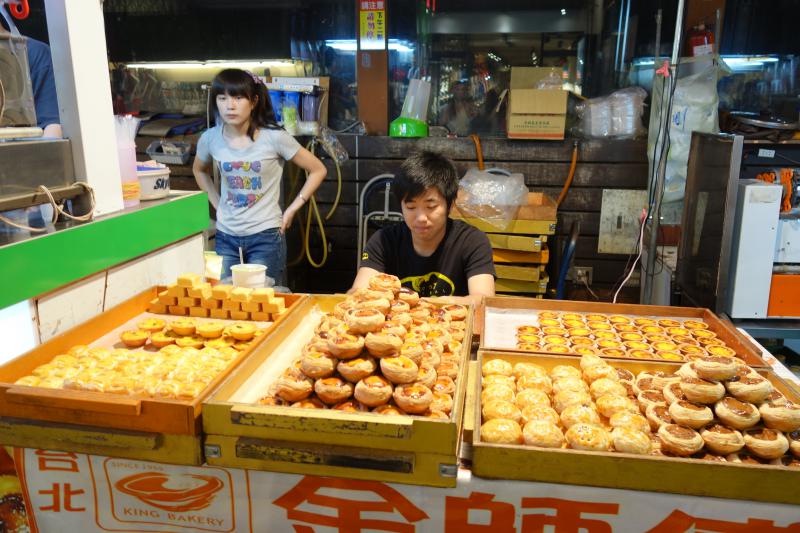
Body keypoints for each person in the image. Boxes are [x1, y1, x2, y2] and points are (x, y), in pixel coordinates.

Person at [193, 69, 326, 285]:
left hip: (266, 236)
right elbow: (199, 170)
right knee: (225, 296)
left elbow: (318, 169)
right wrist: (217, 204)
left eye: (238, 97)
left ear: (254, 101)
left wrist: (292, 210)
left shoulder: (275, 137)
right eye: (222, 98)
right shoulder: (210, 139)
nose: (230, 105)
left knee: (263, 298)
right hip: (225, 236)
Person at [350, 151, 495, 307]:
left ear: (450, 205)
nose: (420, 218)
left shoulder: (472, 241)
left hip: (456, 320)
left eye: (431, 206)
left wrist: (433, 304)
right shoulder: (383, 241)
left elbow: (484, 299)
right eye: (411, 207)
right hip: (394, 323)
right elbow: (358, 293)